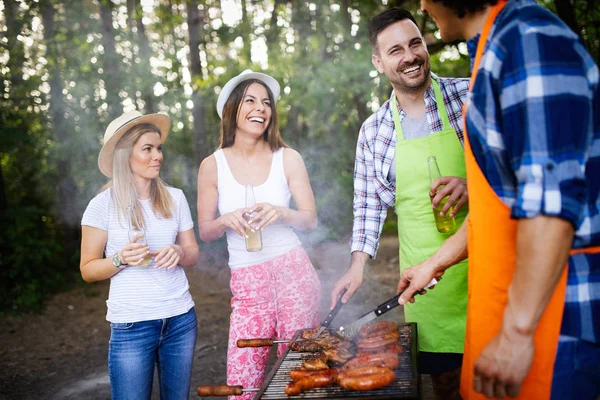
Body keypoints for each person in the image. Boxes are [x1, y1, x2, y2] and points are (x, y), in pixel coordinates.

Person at [397, 0, 600, 398]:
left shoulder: (529, 41)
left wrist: (516, 334)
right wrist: (434, 263)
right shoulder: (494, 51)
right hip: (510, 302)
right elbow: (500, 208)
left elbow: (550, 206)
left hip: (555, 321)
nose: (422, 4)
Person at [329, 8, 470, 399]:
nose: (409, 56)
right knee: (445, 384)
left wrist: (474, 186)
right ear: (379, 62)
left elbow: (513, 172)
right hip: (427, 284)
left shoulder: (469, 95)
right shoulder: (374, 131)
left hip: (491, 269)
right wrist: (356, 266)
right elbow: (368, 205)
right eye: (395, 50)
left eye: (414, 43)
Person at [196, 69, 322, 399]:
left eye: (266, 102)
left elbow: (309, 219)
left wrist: (282, 212)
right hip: (248, 284)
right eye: (250, 100)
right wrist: (226, 220)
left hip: (294, 274)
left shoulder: (288, 158)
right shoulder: (213, 165)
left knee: (299, 380)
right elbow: (206, 231)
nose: (260, 108)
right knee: (242, 386)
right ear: (232, 109)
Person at [80, 111, 200, 400]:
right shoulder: (101, 205)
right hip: (132, 325)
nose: (157, 155)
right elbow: (87, 269)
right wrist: (120, 259)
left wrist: (179, 251)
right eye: (147, 149)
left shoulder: (176, 198)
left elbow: (193, 253)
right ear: (125, 155)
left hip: (180, 319)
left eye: (158, 148)